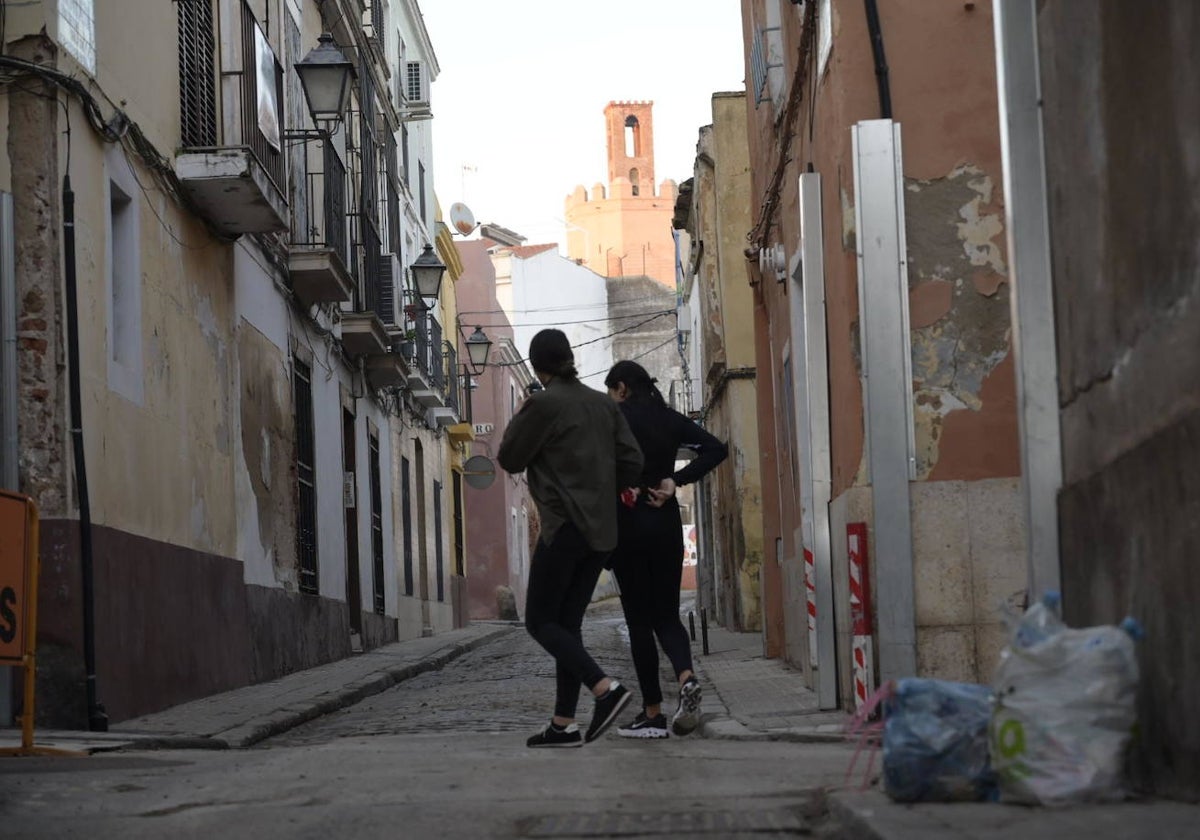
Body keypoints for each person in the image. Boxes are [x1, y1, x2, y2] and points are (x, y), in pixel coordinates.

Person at [497, 329, 644, 747]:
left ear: (538, 366)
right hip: (602, 533)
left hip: (563, 528)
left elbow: (509, 457)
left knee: (540, 621)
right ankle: (563, 724)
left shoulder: (543, 404)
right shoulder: (603, 404)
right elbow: (632, 461)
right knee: (567, 625)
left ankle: (604, 688)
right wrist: (602, 488)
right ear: (569, 358)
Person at [604, 360, 728, 739]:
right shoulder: (669, 418)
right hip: (665, 523)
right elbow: (715, 450)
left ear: (622, 388)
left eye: (613, 391)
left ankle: (653, 714)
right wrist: (675, 480)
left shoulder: (613, 419)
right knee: (667, 616)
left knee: (639, 623)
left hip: (627, 524)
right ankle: (686, 676)